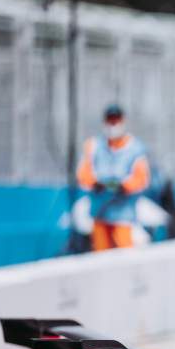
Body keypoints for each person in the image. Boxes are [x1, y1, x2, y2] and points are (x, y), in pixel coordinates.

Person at [75, 104, 151, 251]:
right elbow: (83, 173)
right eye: (110, 120)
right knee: (101, 252)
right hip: (100, 212)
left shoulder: (135, 148)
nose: (113, 124)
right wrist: (96, 183)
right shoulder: (94, 145)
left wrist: (123, 186)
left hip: (123, 213)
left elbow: (142, 178)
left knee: (124, 250)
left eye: (116, 120)